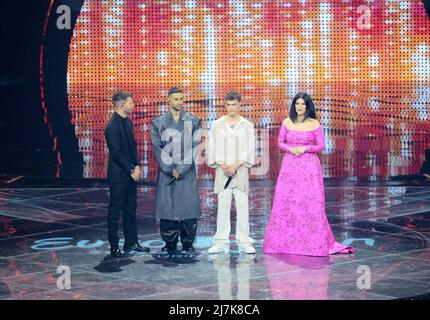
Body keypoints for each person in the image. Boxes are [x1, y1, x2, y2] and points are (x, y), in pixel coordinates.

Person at [263, 92, 354, 256]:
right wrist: (290, 149)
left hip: (309, 167)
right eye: (297, 104)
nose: (299, 107)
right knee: (287, 202)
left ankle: (313, 244)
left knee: (310, 202)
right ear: (294, 105)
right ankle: (284, 244)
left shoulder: (314, 124)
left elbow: (321, 146)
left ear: (307, 106)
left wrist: (305, 148)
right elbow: (280, 143)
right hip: (290, 166)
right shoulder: (287, 122)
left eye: (303, 104)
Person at [150, 87, 202, 257]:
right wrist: (170, 169)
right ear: (169, 101)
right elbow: (157, 146)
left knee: (188, 207)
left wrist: (181, 169)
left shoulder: (193, 121)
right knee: (168, 208)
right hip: (167, 172)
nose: (180, 101)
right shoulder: (158, 122)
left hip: (186, 172)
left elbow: (195, 146)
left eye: (181, 99)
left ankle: (188, 243)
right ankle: (170, 242)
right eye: (176, 99)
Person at [207, 91, 256, 254]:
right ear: (225, 105)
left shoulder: (247, 125)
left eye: (234, 104)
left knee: (243, 207)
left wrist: (235, 165)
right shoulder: (217, 124)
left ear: (239, 105)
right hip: (223, 172)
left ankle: (243, 241)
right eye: (228, 104)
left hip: (240, 172)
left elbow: (250, 149)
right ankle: (221, 241)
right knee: (223, 207)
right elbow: (211, 148)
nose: (231, 107)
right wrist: (224, 165)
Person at [105, 91, 149, 258]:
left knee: (131, 210)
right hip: (119, 176)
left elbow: (132, 148)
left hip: (131, 173)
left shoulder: (128, 121)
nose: (133, 105)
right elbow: (116, 153)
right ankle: (114, 245)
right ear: (121, 105)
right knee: (115, 211)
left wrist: (137, 166)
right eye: (131, 102)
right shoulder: (112, 125)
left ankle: (131, 242)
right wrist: (131, 170)